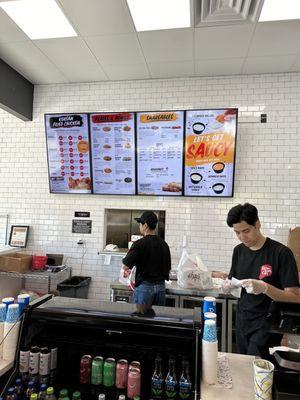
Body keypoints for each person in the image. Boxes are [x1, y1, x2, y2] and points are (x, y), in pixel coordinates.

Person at [226, 203, 300, 357]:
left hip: (267, 325)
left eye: (246, 231)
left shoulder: (281, 253)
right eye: (237, 232)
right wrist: (229, 287)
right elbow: (237, 287)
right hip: (242, 320)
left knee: (258, 372)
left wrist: (265, 288)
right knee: (243, 366)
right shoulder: (238, 251)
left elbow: (295, 297)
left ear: (257, 224)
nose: (242, 237)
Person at [122, 211, 171, 310]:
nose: (139, 226)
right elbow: (168, 268)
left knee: (141, 320)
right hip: (161, 288)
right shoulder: (164, 244)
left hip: (145, 288)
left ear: (145, 225)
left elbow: (126, 265)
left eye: (140, 223)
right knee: (157, 319)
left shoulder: (139, 244)